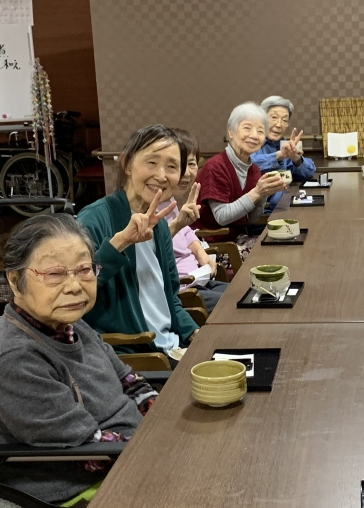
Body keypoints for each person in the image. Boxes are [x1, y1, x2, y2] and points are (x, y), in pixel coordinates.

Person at [0, 214, 157, 505]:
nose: (74, 286)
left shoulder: (70, 323)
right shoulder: (14, 360)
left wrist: (160, 415)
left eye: (84, 269)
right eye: (55, 274)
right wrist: (160, 447)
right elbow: (87, 452)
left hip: (125, 452)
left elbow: (128, 380)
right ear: (15, 281)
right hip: (75, 490)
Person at [77, 124, 198, 357]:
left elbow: (171, 299)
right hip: (133, 354)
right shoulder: (94, 219)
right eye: (151, 163)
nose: (161, 175)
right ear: (127, 164)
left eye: (172, 166)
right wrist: (120, 243)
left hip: (169, 347)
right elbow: (76, 289)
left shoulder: (160, 225)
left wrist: (194, 333)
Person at [160, 128, 227, 312]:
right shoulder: (151, 207)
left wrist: (201, 254)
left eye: (192, 163)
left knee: (242, 293)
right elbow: (152, 245)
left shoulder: (170, 200)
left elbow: (186, 232)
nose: (186, 172)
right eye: (178, 164)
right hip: (182, 291)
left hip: (198, 280)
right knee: (236, 305)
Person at [195, 102, 287, 235]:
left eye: (260, 131)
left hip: (239, 238)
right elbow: (222, 217)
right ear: (231, 132)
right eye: (247, 128)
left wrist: (263, 195)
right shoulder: (216, 166)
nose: (254, 135)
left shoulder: (254, 169)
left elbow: (251, 220)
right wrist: (257, 193)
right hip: (213, 246)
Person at [250, 96, 315, 213]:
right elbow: (247, 165)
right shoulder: (250, 141)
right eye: (274, 117)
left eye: (284, 120)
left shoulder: (282, 143)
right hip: (261, 214)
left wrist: (296, 159)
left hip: (285, 206)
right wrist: (278, 155)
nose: (279, 125)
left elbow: (308, 173)